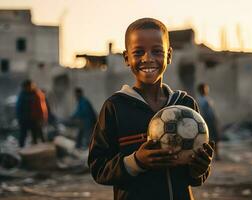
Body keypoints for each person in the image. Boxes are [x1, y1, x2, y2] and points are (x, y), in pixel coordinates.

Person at [88, 18, 214, 200]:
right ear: (126, 58)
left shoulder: (186, 106)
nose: (148, 58)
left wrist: (200, 168)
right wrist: (137, 161)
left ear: (169, 55)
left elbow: (194, 177)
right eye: (138, 52)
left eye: (157, 51)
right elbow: (98, 167)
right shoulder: (115, 107)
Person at [16, 79, 48, 147]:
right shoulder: (22, 95)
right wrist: (19, 118)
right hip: (24, 119)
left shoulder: (36, 94)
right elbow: (18, 108)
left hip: (34, 119)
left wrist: (42, 117)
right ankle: (21, 149)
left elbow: (42, 107)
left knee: (35, 136)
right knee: (23, 136)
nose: (27, 88)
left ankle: (37, 150)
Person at [197, 83, 220, 160]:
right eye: (204, 89)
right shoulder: (201, 100)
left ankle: (216, 155)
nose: (206, 90)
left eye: (206, 88)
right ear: (200, 90)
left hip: (211, 121)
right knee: (209, 139)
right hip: (207, 122)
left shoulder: (207, 99)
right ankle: (209, 155)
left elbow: (212, 112)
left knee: (215, 139)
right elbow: (203, 112)